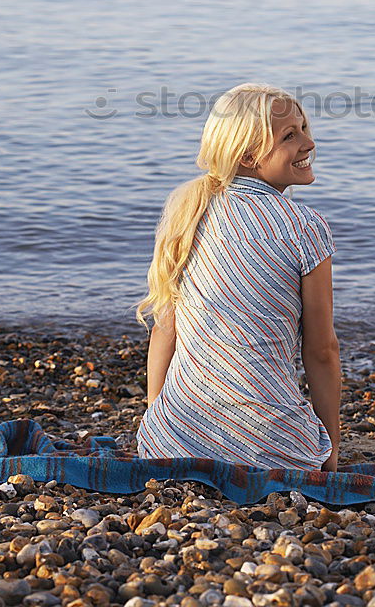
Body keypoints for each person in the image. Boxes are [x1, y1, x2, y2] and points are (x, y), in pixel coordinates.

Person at [135, 82, 341, 471]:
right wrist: (331, 450)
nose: (309, 143)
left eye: (305, 128)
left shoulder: (187, 215)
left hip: (175, 443)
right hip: (275, 448)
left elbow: (165, 332)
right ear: (248, 156)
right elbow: (322, 350)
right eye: (290, 136)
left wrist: (158, 425)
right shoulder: (306, 227)